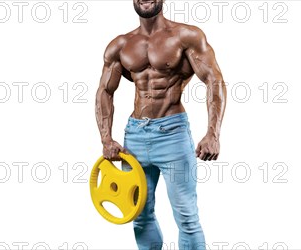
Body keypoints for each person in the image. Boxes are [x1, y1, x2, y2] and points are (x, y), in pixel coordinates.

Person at [94, 0, 227, 249]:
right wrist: (106, 138)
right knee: (139, 215)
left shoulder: (186, 36)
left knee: (186, 217)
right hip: (134, 137)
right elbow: (104, 91)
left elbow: (214, 80)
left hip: (172, 135)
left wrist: (213, 133)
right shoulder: (120, 45)